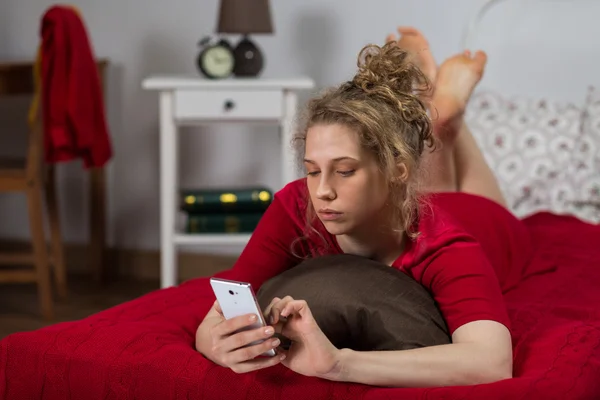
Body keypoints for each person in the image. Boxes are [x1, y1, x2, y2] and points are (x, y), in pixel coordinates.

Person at [195, 26, 514, 388]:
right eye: (312, 171)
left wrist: (339, 364)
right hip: (404, 197)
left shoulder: (448, 246)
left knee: (469, 196)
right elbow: (216, 316)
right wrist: (217, 346)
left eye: (345, 171)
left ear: (397, 168)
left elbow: (492, 362)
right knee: (425, 181)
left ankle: (445, 119)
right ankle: (435, 112)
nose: (323, 191)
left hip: (486, 221)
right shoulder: (297, 203)